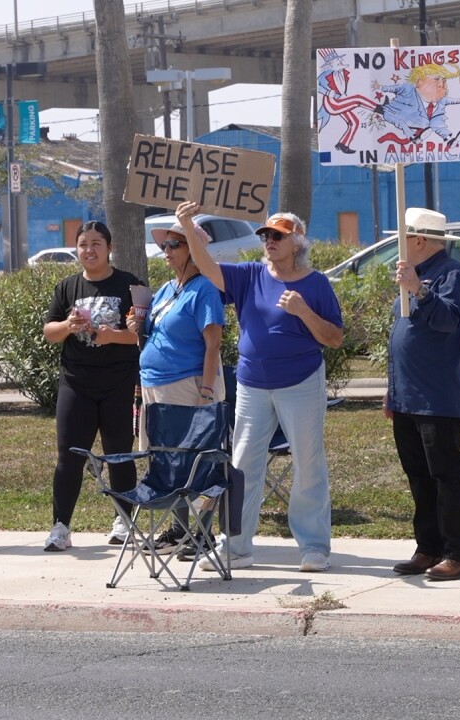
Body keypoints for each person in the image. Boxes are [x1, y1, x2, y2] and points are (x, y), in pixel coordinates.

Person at [182, 200, 344, 572]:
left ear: (297, 242)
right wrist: (189, 227)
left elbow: (334, 338)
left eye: (278, 236)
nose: (269, 240)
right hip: (252, 384)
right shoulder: (250, 274)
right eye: (266, 235)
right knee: (242, 465)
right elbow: (206, 267)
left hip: (301, 382)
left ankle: (314, 546)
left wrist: (304, 311)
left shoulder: (315, 284)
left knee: (307, 462)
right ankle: (236, 547)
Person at [382, 208, 460, 581]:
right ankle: (428, 546)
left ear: (419, 241)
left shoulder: (452, 275)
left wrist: (419, 290)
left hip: (436, 396)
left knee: (445, 475)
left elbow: (447, 320)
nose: (398, 246)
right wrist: (392, 390)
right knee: (418, 475)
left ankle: (459, 553)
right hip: (407, 395)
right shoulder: (416, 275)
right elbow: (401, 335)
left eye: (402, 238)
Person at [125, 211, 226, 554]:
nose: (166, 251)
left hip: (189, 384)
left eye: (174, 244)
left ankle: (203, 532)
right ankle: (179, 528)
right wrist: (135, 325)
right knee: (165, 458)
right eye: (164, 245)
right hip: (155, 385)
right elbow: (153, 334)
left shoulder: (205, 290)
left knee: (197, 458)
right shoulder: (167, 288)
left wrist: (208, 391)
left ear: (195, 249)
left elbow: (213, 343)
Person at [41, 220, 145, 552]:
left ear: (109, 247)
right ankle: (61, 527)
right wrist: (69, 326)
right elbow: (49, 332)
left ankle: (123, 521)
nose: (90, 250)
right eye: (83, 244)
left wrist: (111, 335)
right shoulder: (67, 287)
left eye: (96, 243)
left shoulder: (129, 284)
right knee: (68, 456)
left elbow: (143, 333)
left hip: (118, 383)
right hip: (76, 383)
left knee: (119, 454)